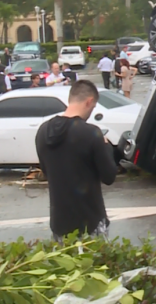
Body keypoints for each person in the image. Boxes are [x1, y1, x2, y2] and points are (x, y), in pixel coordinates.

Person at [35, 80, 117, 242]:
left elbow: (46, 171)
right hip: (91, 222)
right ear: (89, 101)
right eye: (93, 108)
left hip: (60, 223)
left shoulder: (43, 131)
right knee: (95, 266)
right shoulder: (91, 133)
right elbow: (109, 176)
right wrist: (106, 147)